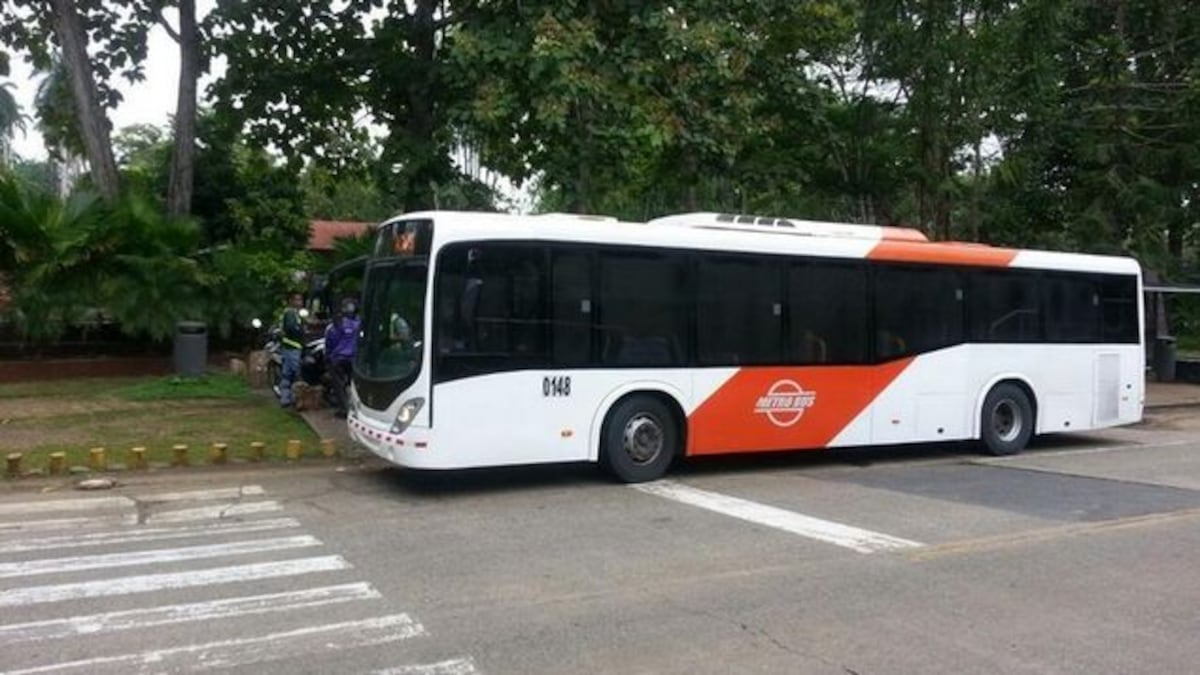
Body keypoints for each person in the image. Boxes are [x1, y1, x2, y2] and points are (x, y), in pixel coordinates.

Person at [325, 297, 361, 418]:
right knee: (354, 385)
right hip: (353, 359)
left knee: (339, 385)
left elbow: (330, 343)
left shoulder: (335, 325)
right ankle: (357, 409)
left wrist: (329, 356)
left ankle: (344, 409)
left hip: (338, 359)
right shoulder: (359, 324)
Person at [277, 292, 305, 409]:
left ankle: (286, 399)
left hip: (292, 347)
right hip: (292, 347)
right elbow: (291, 328)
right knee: (295, 373)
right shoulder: (290, 313)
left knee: (287, 374)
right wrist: (301, 331)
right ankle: (291, 399)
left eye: (301, 300)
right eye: (297, 300)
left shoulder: (296, 314)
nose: (299, 303)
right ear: (292, 301)